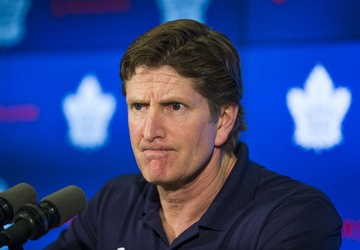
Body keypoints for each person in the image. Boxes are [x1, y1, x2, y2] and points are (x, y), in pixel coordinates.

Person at [46, 19, 342, 249]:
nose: (149, 131)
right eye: (138, 106)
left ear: (224, 120)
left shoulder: (293, 217)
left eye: (174, 106)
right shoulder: (114, 202)